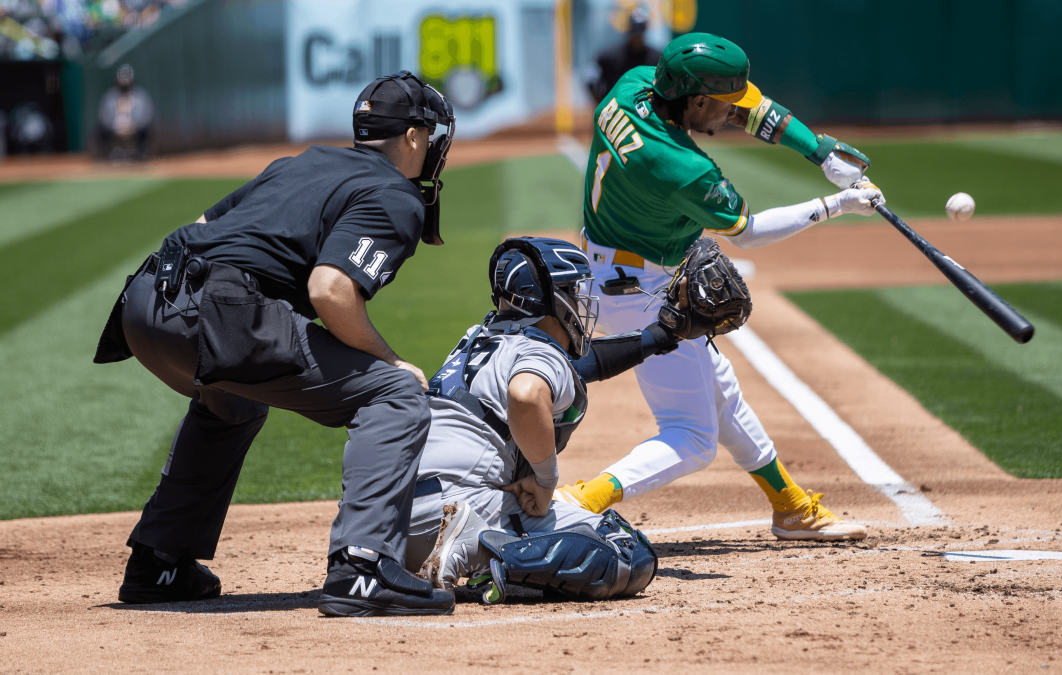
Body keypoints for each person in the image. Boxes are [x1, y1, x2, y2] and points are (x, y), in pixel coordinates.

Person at [94, 71, 461, 617]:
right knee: (395, 395)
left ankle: (160, 563)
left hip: (142, 304)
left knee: (234, 400)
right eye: (432, 138)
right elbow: (330, 288)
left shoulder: (305, 161)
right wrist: (390, 360)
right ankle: (362, 568)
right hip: (215, 315)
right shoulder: (395, 195)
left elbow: (203, 223)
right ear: (414, 137)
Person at [557, 33, 887, 542]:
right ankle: (581, 501)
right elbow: (749, 233)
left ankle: (791, 507)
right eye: (723, 105)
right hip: (640, 292)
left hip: (612, 273)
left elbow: (752, 109)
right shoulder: (682, 167)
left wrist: (818, 150)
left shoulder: (634, 84)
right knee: (692, 437)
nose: (733, 115)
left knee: (720, 390)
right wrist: (835, 205)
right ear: (696, 99)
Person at [401, 237, 697, 603]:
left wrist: (662, 334)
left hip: (395, 518)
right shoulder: (538, 354)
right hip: (451, 512)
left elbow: (572, 369)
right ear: (552, 299)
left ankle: (467, 548)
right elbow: (526, 393)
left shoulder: (475, 340)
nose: (581, 300)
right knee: (626, 552)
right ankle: (477, 554)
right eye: (573, 290)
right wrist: (545, 479)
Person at [588, 6, 661, 104]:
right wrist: (601, 104)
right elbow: (590, 79)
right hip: (617, 109)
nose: (637, 38)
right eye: (635, 32)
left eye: (639, 33)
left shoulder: (656, 58)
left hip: (645, 111)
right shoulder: (609, 57)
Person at [94, 64, 155, 161]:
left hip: (135, 128)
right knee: (99, 130)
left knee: (148, 130)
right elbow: (103, 117)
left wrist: (134, 125)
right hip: (113, 129)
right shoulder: (110, 96)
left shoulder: (141, 96)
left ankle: (139, 154)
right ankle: (106, 156)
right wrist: (115, 126)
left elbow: (147, 116)